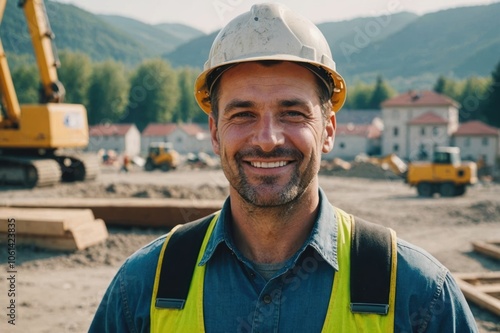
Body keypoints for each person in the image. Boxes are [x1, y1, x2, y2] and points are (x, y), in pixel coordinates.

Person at [89, 3, 478, 332]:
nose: (268, 139)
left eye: (292, 113)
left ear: (328, 130)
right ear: (214, 132)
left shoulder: (419, 296)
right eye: (242, 114)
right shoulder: (142, 289)